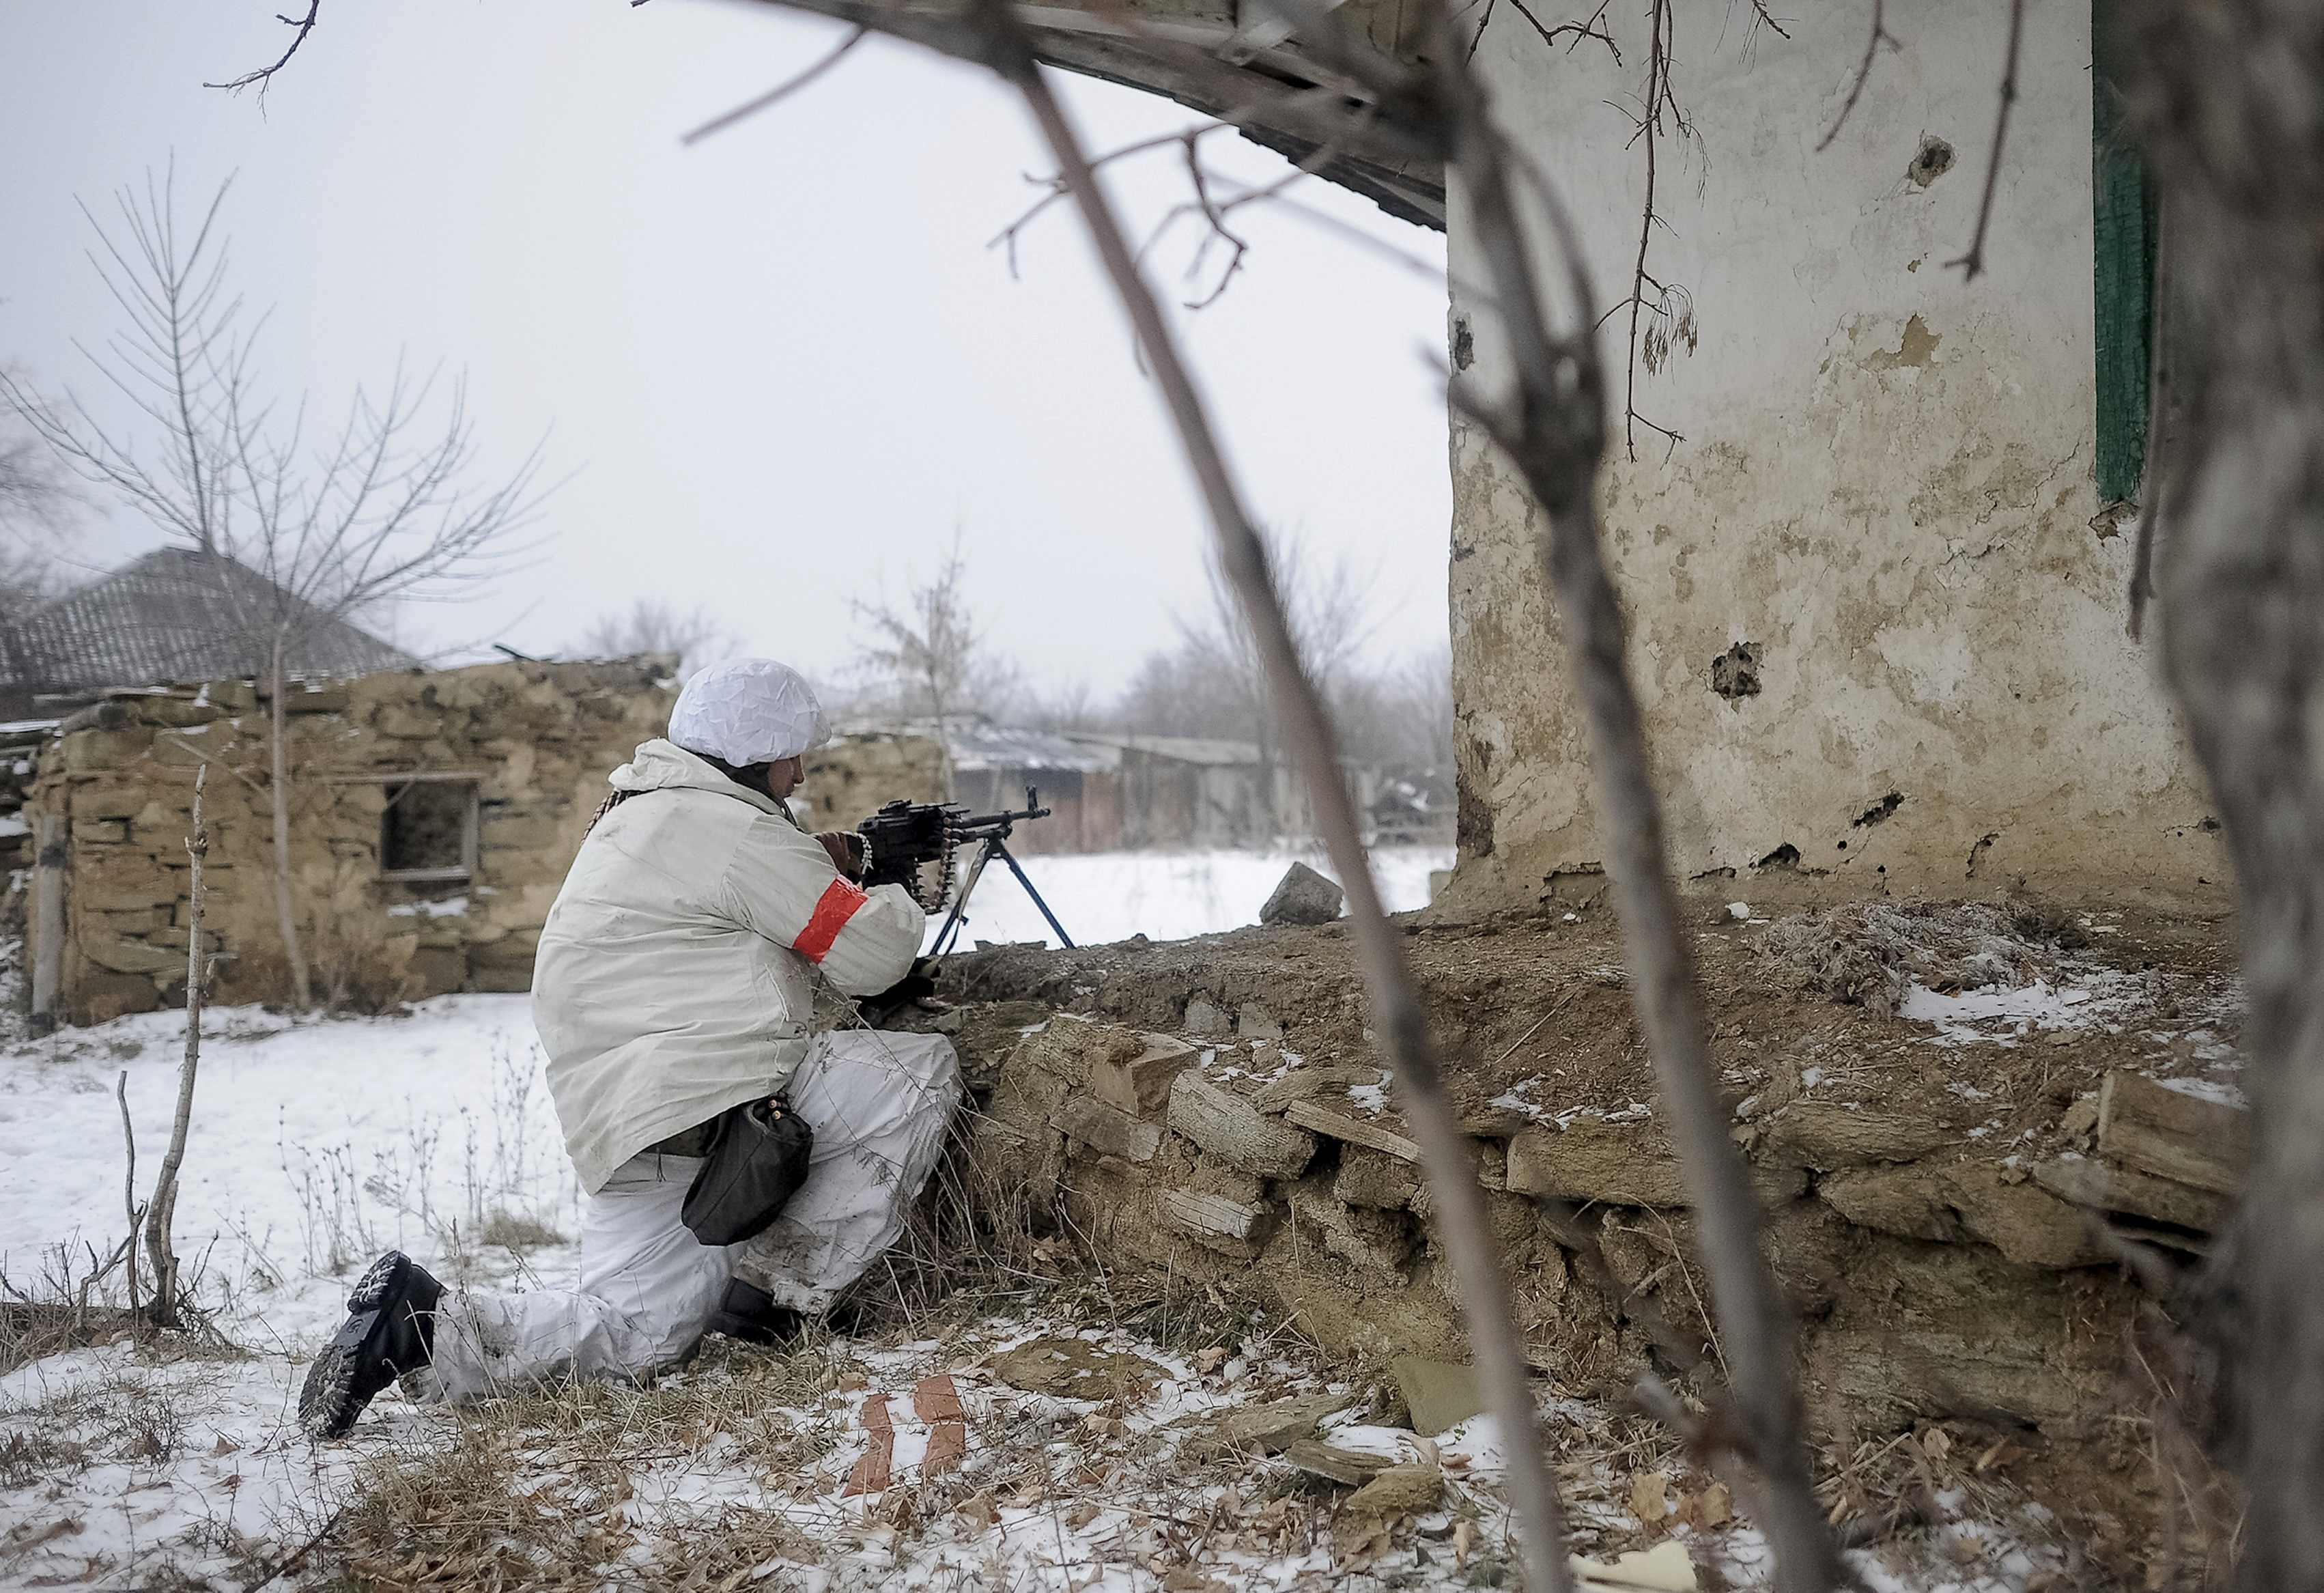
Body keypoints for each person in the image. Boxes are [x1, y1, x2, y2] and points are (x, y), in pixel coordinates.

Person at [299, 658, 962, 1438]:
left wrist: (822, 859)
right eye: (792, 755)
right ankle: (775, 1296)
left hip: (629, 1122)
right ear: (756, 755)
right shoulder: (735, 830)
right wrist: (886, 883)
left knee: (631, 1335)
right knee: (916, 1071)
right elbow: (873, 958)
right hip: (712, 1111)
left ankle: (422, 1323)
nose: (802, 769)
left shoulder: (638, 815)